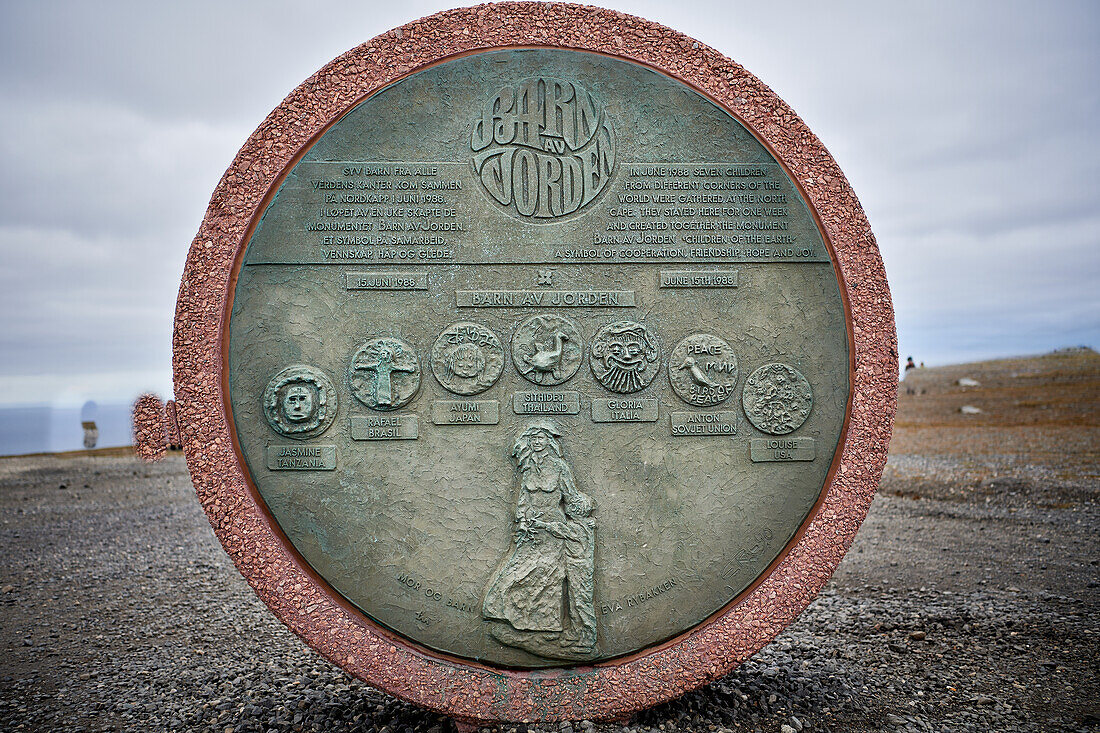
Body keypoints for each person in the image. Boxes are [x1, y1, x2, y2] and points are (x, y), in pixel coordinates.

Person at [482, 421, 596, 659]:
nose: (537, 442)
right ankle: (514, 619)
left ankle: (548, 628)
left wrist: (581, 513)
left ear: (549, 442)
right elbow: (523, 497)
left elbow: (570, 496)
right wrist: (522, 519)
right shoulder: (527, 468)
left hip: (554, 529)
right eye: (533, 439)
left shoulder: (560, 467)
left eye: (541, 438)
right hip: (532, 529)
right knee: (518, 573)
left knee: (548, 579)